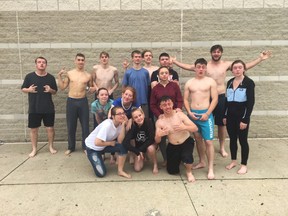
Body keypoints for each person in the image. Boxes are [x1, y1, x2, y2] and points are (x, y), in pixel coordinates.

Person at [172, 45, 271, 157]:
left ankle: (222, 147)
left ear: (221, 53)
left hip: (220, 97)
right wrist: (175, 62)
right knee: (205, 122)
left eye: (218, 52)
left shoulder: (226, 65)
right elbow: (189, 67)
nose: (216, 53)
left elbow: (244, 66)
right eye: (214, 52)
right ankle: (205, 147)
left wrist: (260, 59)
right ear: (211, 53)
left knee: (221, 124)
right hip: (207, 99)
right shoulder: (205, 66)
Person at [183, 58, 218, 180]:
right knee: (197, 138)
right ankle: (202, 161)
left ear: (206, 68)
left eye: (203, 67)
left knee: (208, 141)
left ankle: (210, 168)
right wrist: (189, 112)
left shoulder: (210, 82)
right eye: (199, 66)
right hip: (193, 115)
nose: (201, 69)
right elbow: (185, 100)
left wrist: (208, 113)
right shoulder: (189, 83)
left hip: (205, 114)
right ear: (195, 68)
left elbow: (215, 99)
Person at [155, 96, 198, 183]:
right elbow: (157, 141)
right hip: (173, 145)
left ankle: (189, 172)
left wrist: (184, 127)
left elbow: (195, 128)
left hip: (185, 141)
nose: (167, 107)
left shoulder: (180, 115)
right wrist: (159, 135)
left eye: (169, 104)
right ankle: (180, 159)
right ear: (161, 107)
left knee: (187, 156)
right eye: (164, 105)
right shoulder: (160, 122)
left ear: (172, 104)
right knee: (172, 171)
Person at [223, 60, 255, 174]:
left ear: (244, 69)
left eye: (239, 67)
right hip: (230, 117)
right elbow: (227, 101)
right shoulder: (230, 82)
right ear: (232, 70)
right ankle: (233, 161)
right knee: (232, 139)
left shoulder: (249, 82)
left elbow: (250, 103)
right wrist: (225, 115)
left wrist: (245, 120)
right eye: (235, 68)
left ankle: (244, 164)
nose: (237, 70)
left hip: (242, 117)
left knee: (243, 140)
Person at [21, 57, 58, 157]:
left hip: (48, 108)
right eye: (39, 62)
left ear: (46, 65)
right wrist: (28, 90)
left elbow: (55, 92)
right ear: (36, 64)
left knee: (50, 129)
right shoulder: (29, 77)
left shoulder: (50, 78)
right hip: (34, 108)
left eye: (43, 62)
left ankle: (51, 146)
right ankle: (34, 149)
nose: (41, 64)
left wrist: (50, 90)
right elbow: (23, 89)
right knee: (33, 130)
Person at [57, 53, 93, 155]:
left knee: (85, 126)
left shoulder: (88, 75)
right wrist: (59, 76)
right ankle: (71, 147)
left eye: (82, 60)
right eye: (79, 60)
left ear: (84, 61)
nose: (80, 62)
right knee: (71, 125)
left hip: (82, 101)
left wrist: (87, 88)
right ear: (75, 61)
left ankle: (85, 147)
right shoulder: (70, 73)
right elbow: (63, 87)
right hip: (71, 101)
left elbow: (92, 89)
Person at [150, 66, 183, 166]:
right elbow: (152, 104)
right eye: (162, 73)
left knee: (177, 134)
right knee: (162, 138)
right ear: (158, 75)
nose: (164, 75)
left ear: (169, 74)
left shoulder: (174, 86)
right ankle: (166, 158)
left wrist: (178, 108)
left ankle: (179, 157)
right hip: (161, 116)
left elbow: (179, 99)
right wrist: (158, 115)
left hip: (174, 115)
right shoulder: (155, 88)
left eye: (166, 73)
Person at [85, 106, 131, 179]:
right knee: (101, 174)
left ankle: (120, 171)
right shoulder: (107, 125)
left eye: (123, 113)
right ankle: (93, 155)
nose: (122, 115)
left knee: (123, 146)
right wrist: (110, 143)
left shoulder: (120, 124)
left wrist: (123, 126)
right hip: (93, 148)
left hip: (103, 145)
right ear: (113, 116)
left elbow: (120, 141)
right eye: (119, 114)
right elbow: (97, 142)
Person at [122, 108, 158, 174]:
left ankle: (155, 164)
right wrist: (137, 152)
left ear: (143, 115)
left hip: (149, 145)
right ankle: (143, 156)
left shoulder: (148, 122)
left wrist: (141, 149)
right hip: (139, 147)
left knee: (150, 148)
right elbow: (125, 142)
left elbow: (151, 139)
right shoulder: (133, 125)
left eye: (140, 115)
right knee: (137, 169)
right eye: (136, 117)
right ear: (133, 119)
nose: (139, 118)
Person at [91, 51, 119, 128]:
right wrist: (97, 89)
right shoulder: (95, 68)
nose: (104, 59)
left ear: (108, 58)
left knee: (110, 115)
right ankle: (97, 134)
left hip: (109, 95)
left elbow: (117, 83)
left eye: (106, 57)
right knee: (98, 115)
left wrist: (111, 90)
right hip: (98, 95)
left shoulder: (113, 70)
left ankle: (110, 133)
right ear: (100, 59)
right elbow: (92, 80)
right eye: (102, 57)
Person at [122, 50, 150, 118]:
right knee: (131, 122)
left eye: (139, 57)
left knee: (144, 120)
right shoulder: (128, 72)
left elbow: (149, 87)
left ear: (142, 58)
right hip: (132, 102)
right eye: (136, 57)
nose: (137, 58)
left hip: (143, 102)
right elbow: (124, 87)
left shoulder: (146, 72)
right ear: (132, 58)